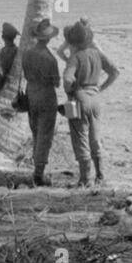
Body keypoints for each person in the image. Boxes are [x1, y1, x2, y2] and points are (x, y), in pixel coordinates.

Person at [62, 21, 119, 188]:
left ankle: (85, 178)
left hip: (79, 98)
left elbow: (67, 79)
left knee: (80, 138)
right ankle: (100, 176)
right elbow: (115, 72)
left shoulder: (76, 57)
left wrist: (70, 90)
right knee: (95, 137)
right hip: (95, 97)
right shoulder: (97, 54)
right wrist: (101, 88)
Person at [22, 20, 61, 187]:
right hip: (46, 95)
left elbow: (25, 74)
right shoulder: (49, 59)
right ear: (49, 39)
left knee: (36, 132)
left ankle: (36, 168)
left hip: (31, 94)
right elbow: (56, 82)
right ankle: (38, 174)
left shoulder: (27, 53)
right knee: (45, 135)